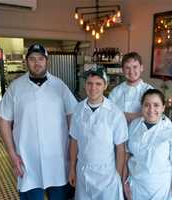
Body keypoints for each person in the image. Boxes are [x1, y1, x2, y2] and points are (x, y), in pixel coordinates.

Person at [0, 43, 77, 200]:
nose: (37, 63)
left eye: (41, 58)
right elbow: (4, 121)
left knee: (60, 196)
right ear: (26, 62)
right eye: (32, 59)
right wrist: (12, 155)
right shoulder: (16, 87)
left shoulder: (59, 86)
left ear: (47, 61)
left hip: (58, 157)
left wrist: (73, 151)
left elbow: (72, 117)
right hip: (27, 158)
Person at [68, 64, 128, 200]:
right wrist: (72, 168)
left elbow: (120, 149)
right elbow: (74, 141)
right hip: (83, 173)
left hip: (107, 176)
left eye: (98, 84)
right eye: (89, 83)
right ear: (85, 85)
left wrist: (117, 176)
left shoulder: (115, 113)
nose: (93, 88)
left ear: (105, 86)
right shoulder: (78, 110)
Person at [124, 89, 172, 200]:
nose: (151, 110)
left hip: (160, 188)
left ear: (163, 107)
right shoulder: (134, 125)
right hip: (135, 185)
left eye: (156, 105)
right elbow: (128, 154)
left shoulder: (169, 130)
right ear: (142, 106)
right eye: (147, 105)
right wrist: (124, 180)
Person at [109, 52, 153, 124]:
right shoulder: (116, 91)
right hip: (118, 134)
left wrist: (121, 115)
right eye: (127, 68)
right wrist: (139, 115)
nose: (131, 71)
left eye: (135, 67)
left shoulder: (149, 91)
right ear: (123, 70)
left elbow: (151, 115)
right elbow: (109, 114)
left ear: (141, 68)